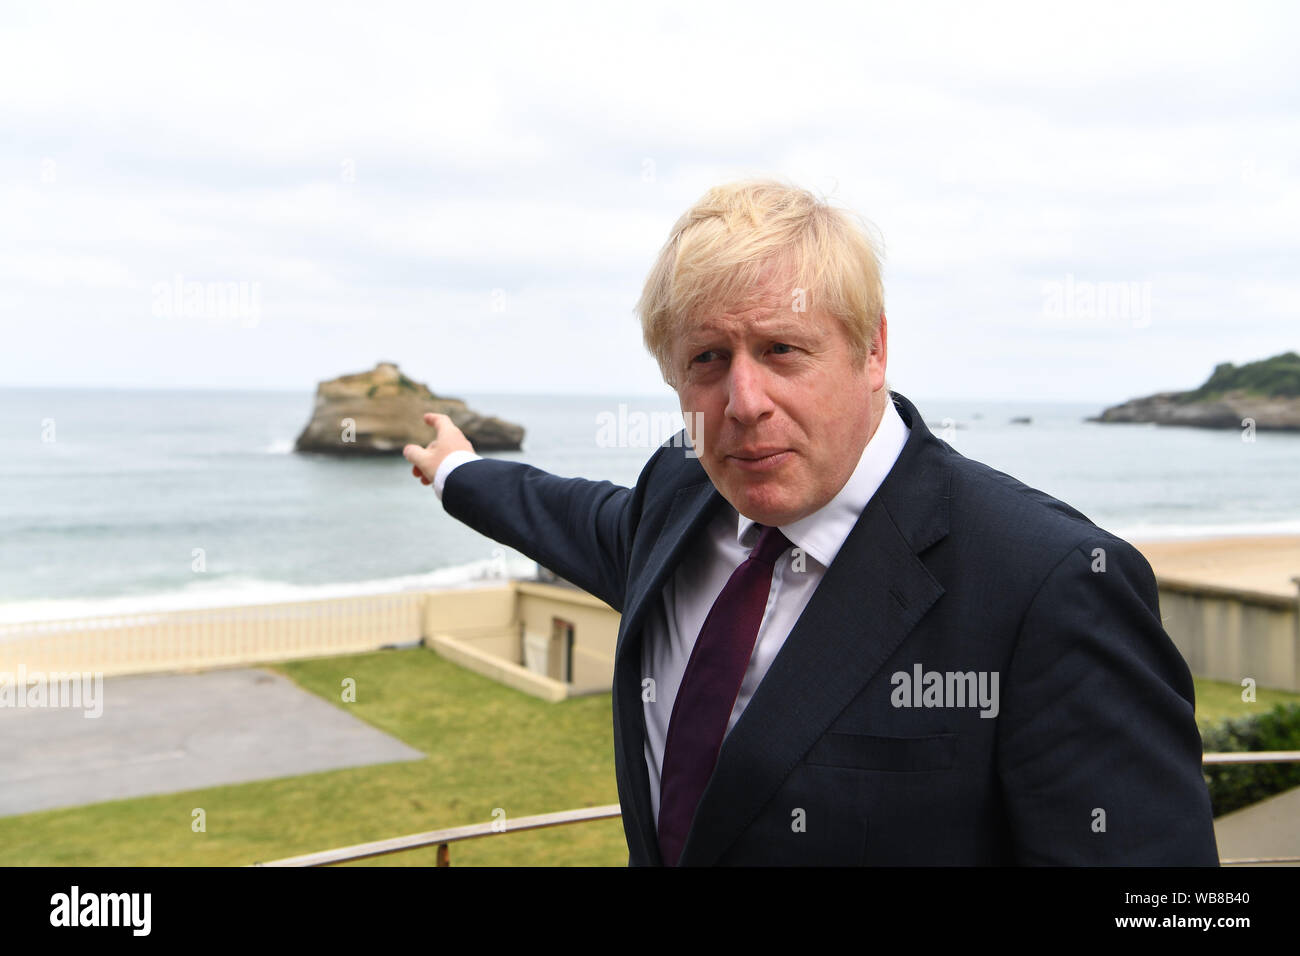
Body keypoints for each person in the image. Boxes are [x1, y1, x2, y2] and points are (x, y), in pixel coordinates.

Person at [403, 179, 1219, 866]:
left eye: (783, 350)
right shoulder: (680, 492)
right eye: (707, 360)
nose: (745, 403)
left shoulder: (1048, 586)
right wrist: (458, 473)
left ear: (872, 351)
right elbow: (574, 517)